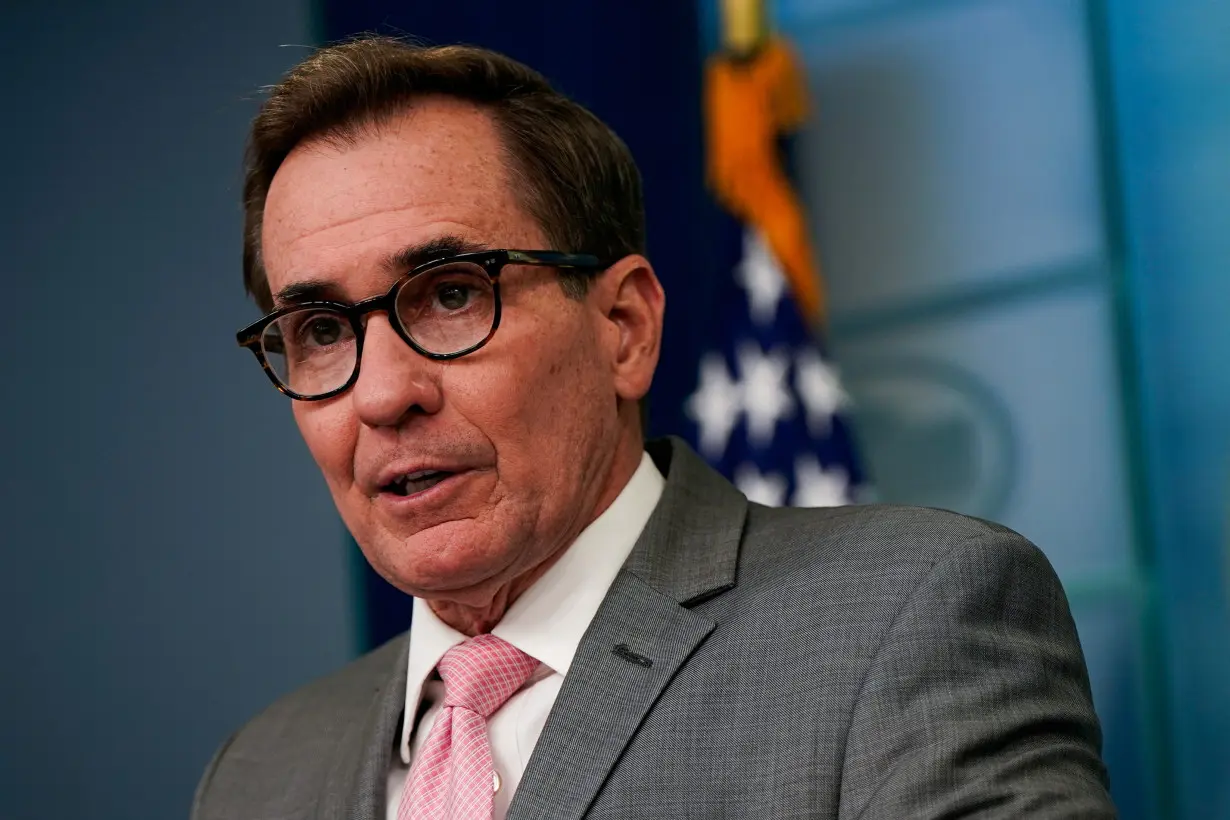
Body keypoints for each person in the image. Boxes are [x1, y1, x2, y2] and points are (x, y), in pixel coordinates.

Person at [193, 36, 1115, 820]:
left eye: (450, 296)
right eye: (319, 331)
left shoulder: (908, 622)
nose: (383, 394)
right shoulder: (260, 776)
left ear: (623, 327)